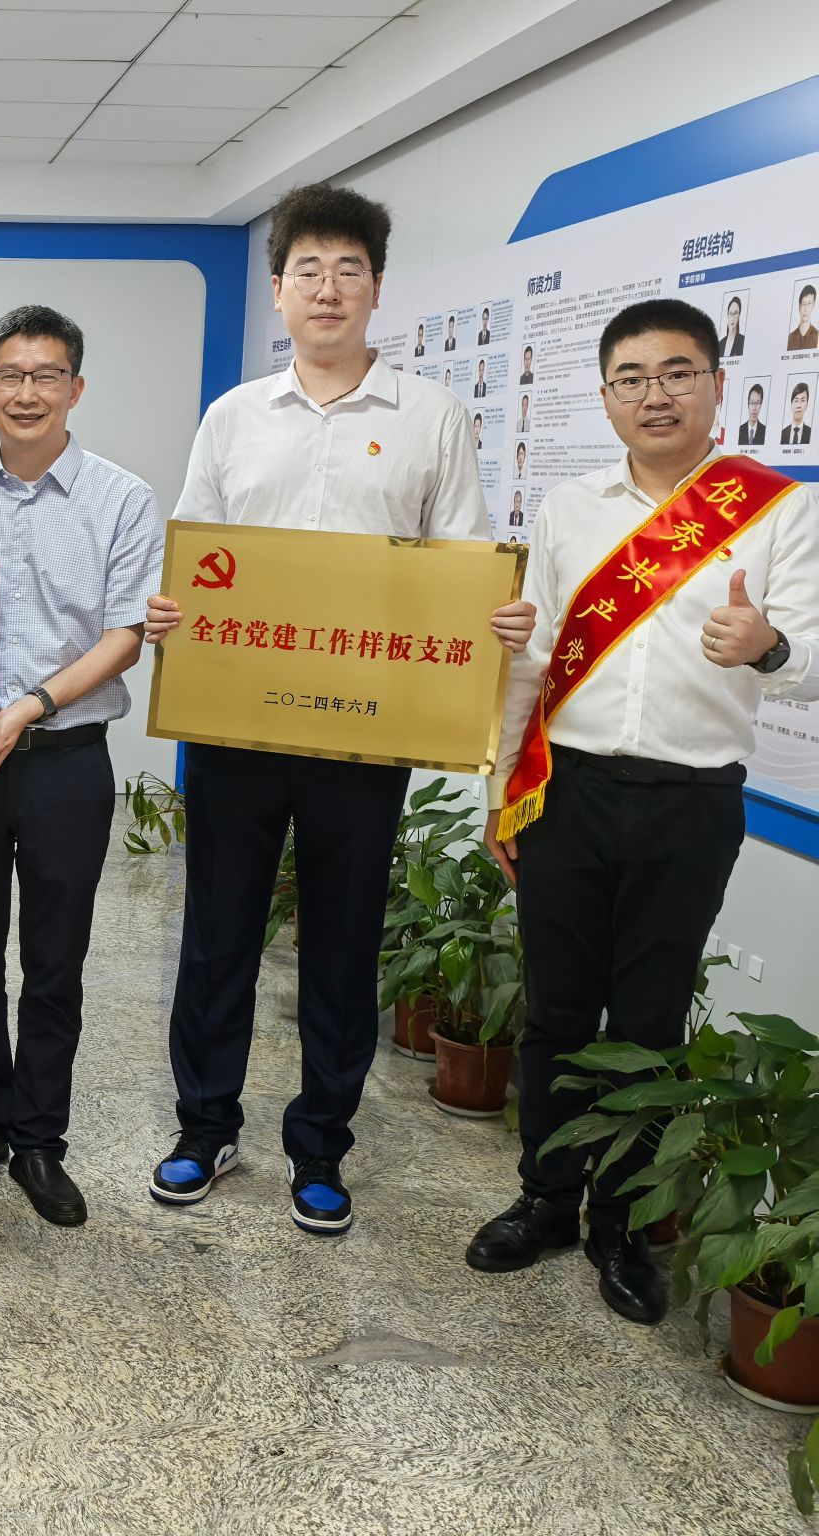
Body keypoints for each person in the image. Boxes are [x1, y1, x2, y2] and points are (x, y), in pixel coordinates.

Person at [144, 183, 534, 1236]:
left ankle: (320, 1144)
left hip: (365, 728)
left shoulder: (430, 417)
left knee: (343, 940)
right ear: (277, 290)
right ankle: (203, 1127)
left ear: (375, 288)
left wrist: (493, 615)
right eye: (306, 270)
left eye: (347, 270)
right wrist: (169, 610)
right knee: (217, 933)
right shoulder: (233, 416)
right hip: (236, 723)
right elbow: (195, 551)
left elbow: (462, 563)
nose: (326, 289)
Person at [467, 297, 819, 1323]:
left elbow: (808, 655)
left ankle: (620, 1225)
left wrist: (765, 647)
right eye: (631, 378)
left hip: (689, 799)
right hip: (566, 787)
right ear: (606, 395)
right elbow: (532, 660)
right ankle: (544, 1197)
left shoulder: (776, 510)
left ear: (715, 383)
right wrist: (503, 789)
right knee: (556, 1008)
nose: (653, 395)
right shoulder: (569, 507)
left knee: (649, 1020)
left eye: (674, 373)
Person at [0, 304, 157, 1229]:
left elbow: (125, 635)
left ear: (75, 389)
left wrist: (30, 706)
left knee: (56, 960)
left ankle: (41, 1137)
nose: (26, 392)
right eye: (10, 376)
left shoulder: (122, 499)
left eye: (46, 375)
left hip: (65, 761)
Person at [789, 284, 818, 351]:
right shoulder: (790, 337)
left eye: (809, 303)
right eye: (803, 303)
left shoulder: (817, 336)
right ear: (799, 306)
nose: (805, 309)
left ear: (813, 305)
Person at [721, 295, 746, 359]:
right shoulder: (720, 344)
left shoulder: (743, 341)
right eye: (730, 313)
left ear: (739, 316)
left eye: (735, 313)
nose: (732, 318)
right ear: (727, 315)